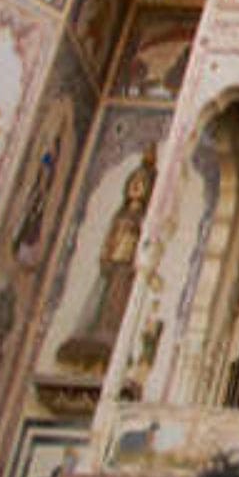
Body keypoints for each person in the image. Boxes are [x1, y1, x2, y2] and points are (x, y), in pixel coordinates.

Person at [55, 148, 156, 374]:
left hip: (126, 270)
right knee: (100, 304)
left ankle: (110, 356)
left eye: (142, 184)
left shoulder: (143, 218)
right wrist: (106, 256)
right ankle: (88, 358)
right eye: (134, 183)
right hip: (112, 265)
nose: (137, 188)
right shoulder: (121, 215)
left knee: (115, 307)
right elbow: (110, 239)